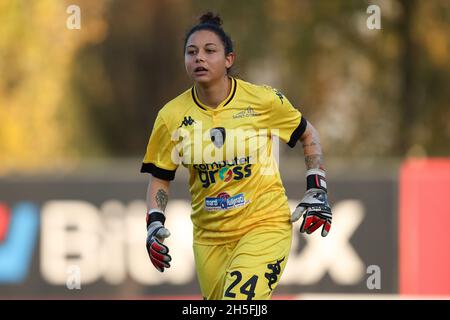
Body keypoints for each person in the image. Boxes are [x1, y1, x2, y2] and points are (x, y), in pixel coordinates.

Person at [141, 12, 332, 300]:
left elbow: (309, 135)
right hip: (209, 239)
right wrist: (154, 222)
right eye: (191, 52)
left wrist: (317, 187)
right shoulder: (170, 117)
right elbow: (160, 178)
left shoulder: (263, 100)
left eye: (209, 51)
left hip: (264, 226)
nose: (199, 59)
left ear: (229, 59)